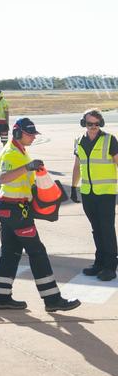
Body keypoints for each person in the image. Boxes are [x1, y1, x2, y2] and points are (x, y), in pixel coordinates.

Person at [0, 117, 80, 312]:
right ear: (17, 133)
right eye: (29, 134)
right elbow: (3, 177)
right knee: (37, 252)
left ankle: (1, 297)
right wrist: (27, 167)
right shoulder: (10, 152)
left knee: (10, 253)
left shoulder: (21, 150)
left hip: (10, 208)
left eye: (33, 134)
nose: (32, 137)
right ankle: (52, 300)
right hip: (14, 210)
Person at [70, 109, 117, 281]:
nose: (93, 127)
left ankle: (110, 266)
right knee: (96, 229)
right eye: (90, 124)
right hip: (88, 193)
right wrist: (74, 187)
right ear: (84, 123)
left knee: (107, 229)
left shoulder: (109, 140)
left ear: (101, 124)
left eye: (96, 124)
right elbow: (77, 166)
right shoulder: (79, 141)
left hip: (106, 193)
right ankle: (99, 263)